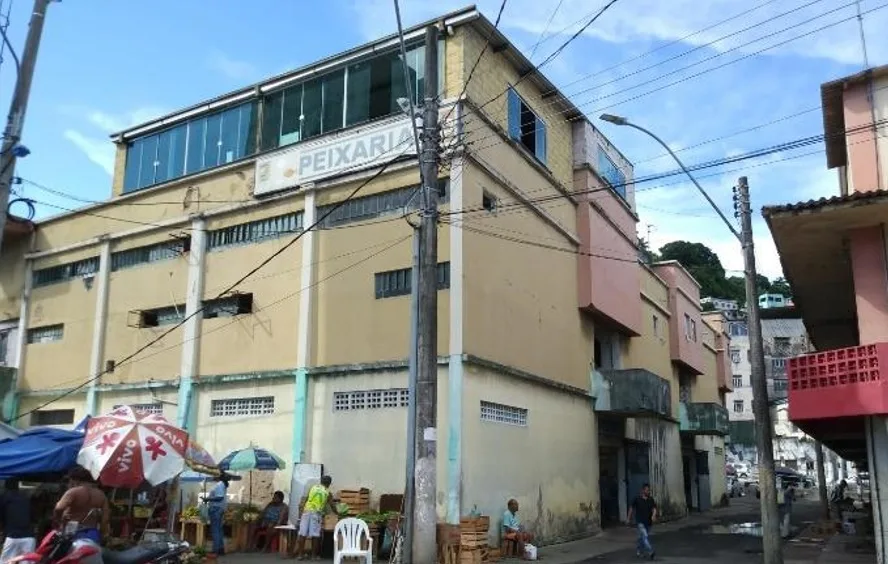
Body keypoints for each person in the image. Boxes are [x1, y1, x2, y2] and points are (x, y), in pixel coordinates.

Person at [54, 468, 110, 544]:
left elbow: (59, 508)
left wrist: (59, 520)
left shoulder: (73, 492)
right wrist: (103, 534)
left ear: (75, 480)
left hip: (72, 531)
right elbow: (105, 519)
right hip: (92, 532)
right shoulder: (101, 495)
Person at [295, 475, 334, 560]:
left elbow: (305, 499)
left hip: (306, 511)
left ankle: (300, 555)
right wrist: (338, 513)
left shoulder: (313, 487)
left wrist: (300, 514)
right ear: (329, 483)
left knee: (302, 533)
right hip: (316, 514)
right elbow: (332, 505)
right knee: (315, 535)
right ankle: (313, 556)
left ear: (321, 481)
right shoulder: (328, 492)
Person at [1, 479, 36, 563]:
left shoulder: (4, 498)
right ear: (17, 487)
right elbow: (32, 517)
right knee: (27, 562)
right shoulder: (25, 498)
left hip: (12, 536)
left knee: (6, 562)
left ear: (6, 487)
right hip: (28, 537)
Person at [627, 483, 658, 561]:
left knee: (641, 538)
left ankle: (639, 551)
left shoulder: (651, 499)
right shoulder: (637, 499)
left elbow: (654, 508)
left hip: (648, 522)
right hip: (640, 522)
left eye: (649, 490)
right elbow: (631, 508)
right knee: (645, 537)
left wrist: (653, 515)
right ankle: (651, 551)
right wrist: (628, 518)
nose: (648, 492)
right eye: (647, 490)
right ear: (643, 490)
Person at [205, 476, 230, 556]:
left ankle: (215, 550)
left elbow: (220, 497)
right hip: (219, 509)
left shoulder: (219, 484)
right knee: (219, 530)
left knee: (215, 530)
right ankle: (220, 549)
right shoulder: (221, 484)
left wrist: (208, 499)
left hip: (216, 509)